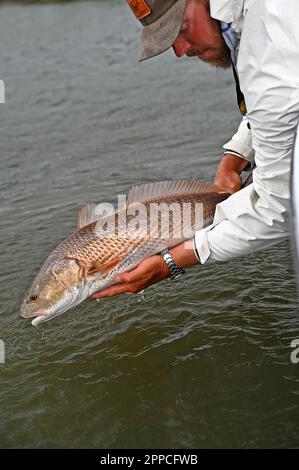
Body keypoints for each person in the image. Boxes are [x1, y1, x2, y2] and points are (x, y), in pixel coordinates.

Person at [91, 0, 299, 300]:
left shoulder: (268, 54)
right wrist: (236, 156)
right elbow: (275, 108)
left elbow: (279, 209)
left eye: (181, 28)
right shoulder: (254, 19)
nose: (179, 50)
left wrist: (169, 263)